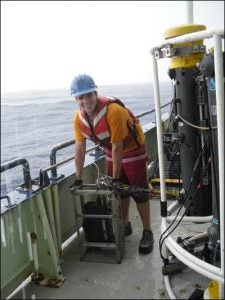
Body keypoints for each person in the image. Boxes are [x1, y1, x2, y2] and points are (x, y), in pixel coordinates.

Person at [71, 74, 154, 254]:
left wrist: (115, 179)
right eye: (80, 97)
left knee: (139, 192)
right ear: (76, 99)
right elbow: (80, 147)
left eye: (88, 95)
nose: (85, 100)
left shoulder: (114, 111)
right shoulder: (78, 119)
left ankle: (147, 231)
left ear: (95, 93)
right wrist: (78, 177)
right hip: (111, 152)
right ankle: (126, 225)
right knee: (120, 193)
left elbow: (118, 146)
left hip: (133, 151)